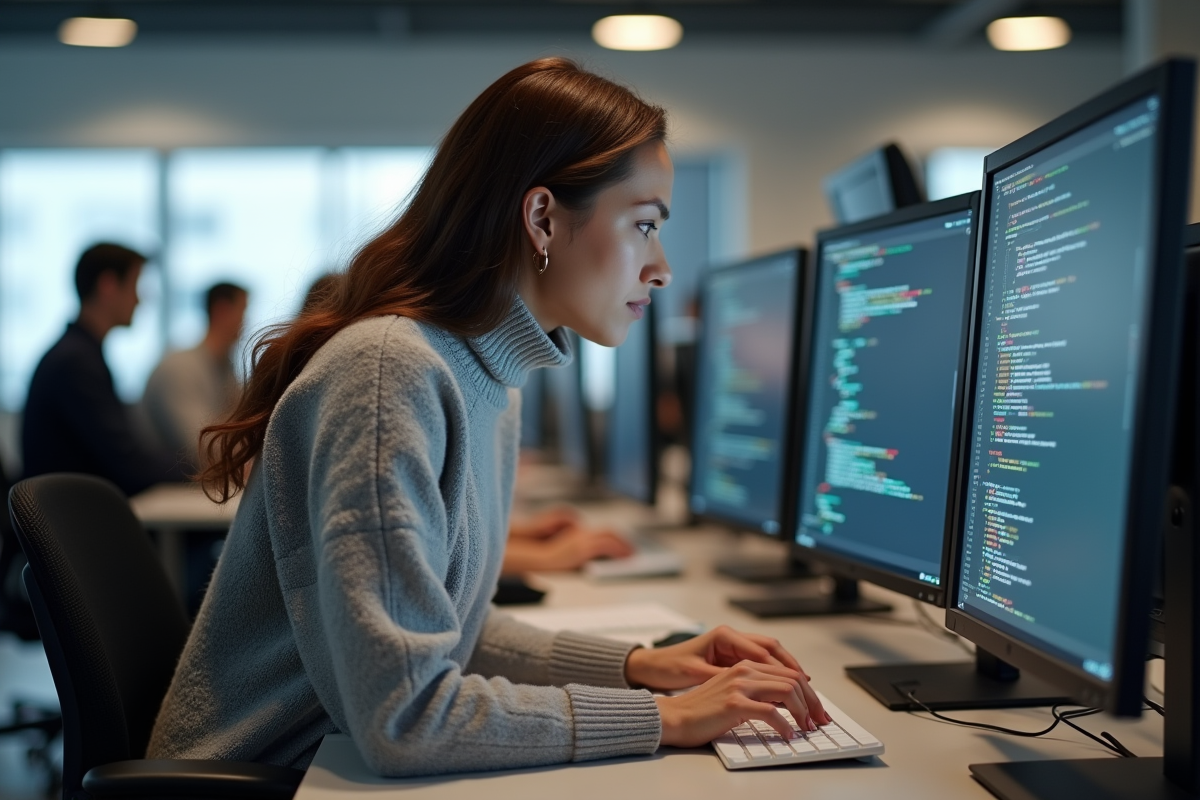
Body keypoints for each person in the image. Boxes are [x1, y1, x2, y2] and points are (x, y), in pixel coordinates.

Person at [149, 58, 828, 777]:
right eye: (644, 225)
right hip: (268, 779)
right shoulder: (392, 375)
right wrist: (668, 717)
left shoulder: (486, 378)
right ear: (541, 218)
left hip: (331, 766)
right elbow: (405, 717)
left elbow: (450, 633)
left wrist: (641, 666)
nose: (661, 267)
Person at [22, 243, 187, 496]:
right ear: (108, 286)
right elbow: (129, 464)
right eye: (135, 285)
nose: (139, 300)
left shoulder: (79, 354)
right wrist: (204, 470)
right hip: (74, 523)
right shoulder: (75, 363)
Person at [142, 282, 248, 469]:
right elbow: (200, 447)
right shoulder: (179, 368)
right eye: (243, 311)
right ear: (222, 310)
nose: (246, 322)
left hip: (191, 484)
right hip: (163, 488)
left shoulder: (225, 368)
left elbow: (241, 431)